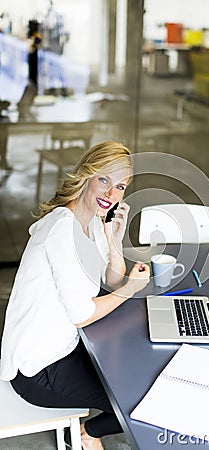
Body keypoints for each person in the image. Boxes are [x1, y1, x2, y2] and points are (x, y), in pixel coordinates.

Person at [0, 141, 150, 450]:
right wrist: (129, 290)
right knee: (139, 400)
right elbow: (83, 313)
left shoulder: (91, 219)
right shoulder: (62, 229)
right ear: (87, 176)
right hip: (39, 369)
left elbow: (110, 279)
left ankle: (89, 431)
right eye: (104, 180)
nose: (111, 194)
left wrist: (114, 240)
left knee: (138, 369)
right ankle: (88, 432)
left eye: (120, 186)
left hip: (66, 346)